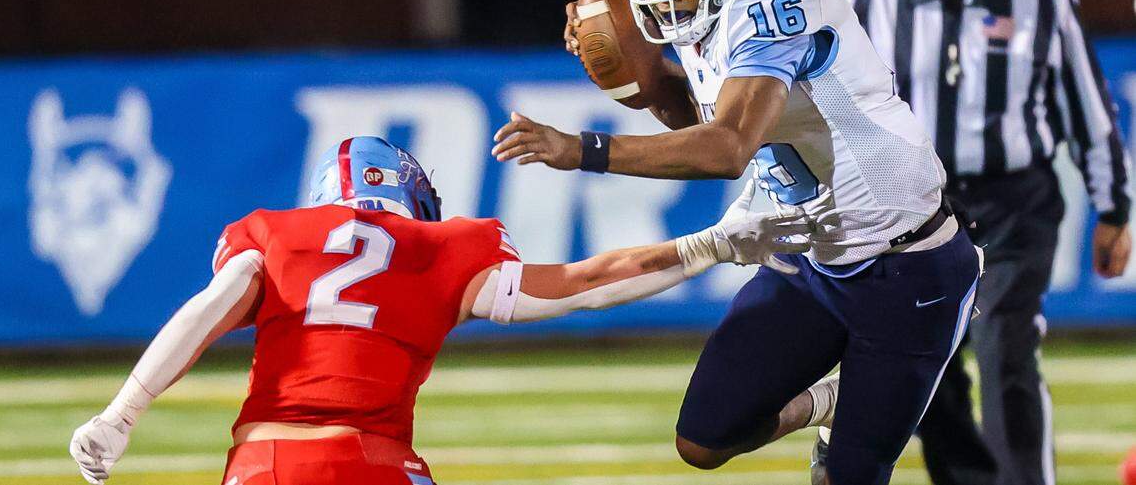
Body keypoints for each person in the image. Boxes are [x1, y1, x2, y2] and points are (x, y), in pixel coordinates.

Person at [494, 0, 983, 485]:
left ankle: (859, 411)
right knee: (703, 439)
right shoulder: (705, 30)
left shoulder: (776, 3)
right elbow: (694, 118)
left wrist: (581, 149)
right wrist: (636, 76)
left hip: (908, 267)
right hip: (813, 258)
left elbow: (726, 147)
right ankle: (830, 403)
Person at [68, 136, 812, 485]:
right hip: (369, 460)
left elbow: (206, 310)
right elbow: (587, 282)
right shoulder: (442, 246)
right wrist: (710, 245)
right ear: (413, 197)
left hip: (260, 463)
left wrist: (121, 414)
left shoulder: (271, 232)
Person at [839, 0, 1132, 485]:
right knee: (927, 365)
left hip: (1013, 204)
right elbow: (834, 100)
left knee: (1005, 349)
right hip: (915, 208)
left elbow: (1088, 107)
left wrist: (1114, 208)